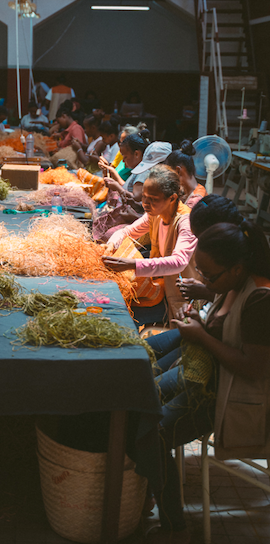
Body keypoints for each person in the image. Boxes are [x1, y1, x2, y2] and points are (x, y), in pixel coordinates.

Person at [144, 220, 270, 543]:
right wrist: (202, 321)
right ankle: (146, 491)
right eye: (199, 270)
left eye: (209, 276)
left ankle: (176, 527)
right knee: (145, 401)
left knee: (154, 433)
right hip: (211, 378)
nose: (202, 280)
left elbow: (255, 368)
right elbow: (225, 330)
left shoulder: (259, 300)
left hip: (233, 397)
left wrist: (201, 335)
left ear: (238, 269)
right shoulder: (232, 283)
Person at [103, 165, 199, 323]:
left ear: (172, 198)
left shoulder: (185, 221)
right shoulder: (156, 214)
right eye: (144, 197)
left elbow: (179, 262)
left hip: (181, 297)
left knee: (122, 316)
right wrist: (110, 245)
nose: (146, 204)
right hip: (162, 286)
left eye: (153, 199)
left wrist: (133, 264)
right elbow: (126, 232)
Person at [166, 141, 207, 208]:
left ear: (178, 171)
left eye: (169, 173)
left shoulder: (194, 201)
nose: (168, 179)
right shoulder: (188, 191)